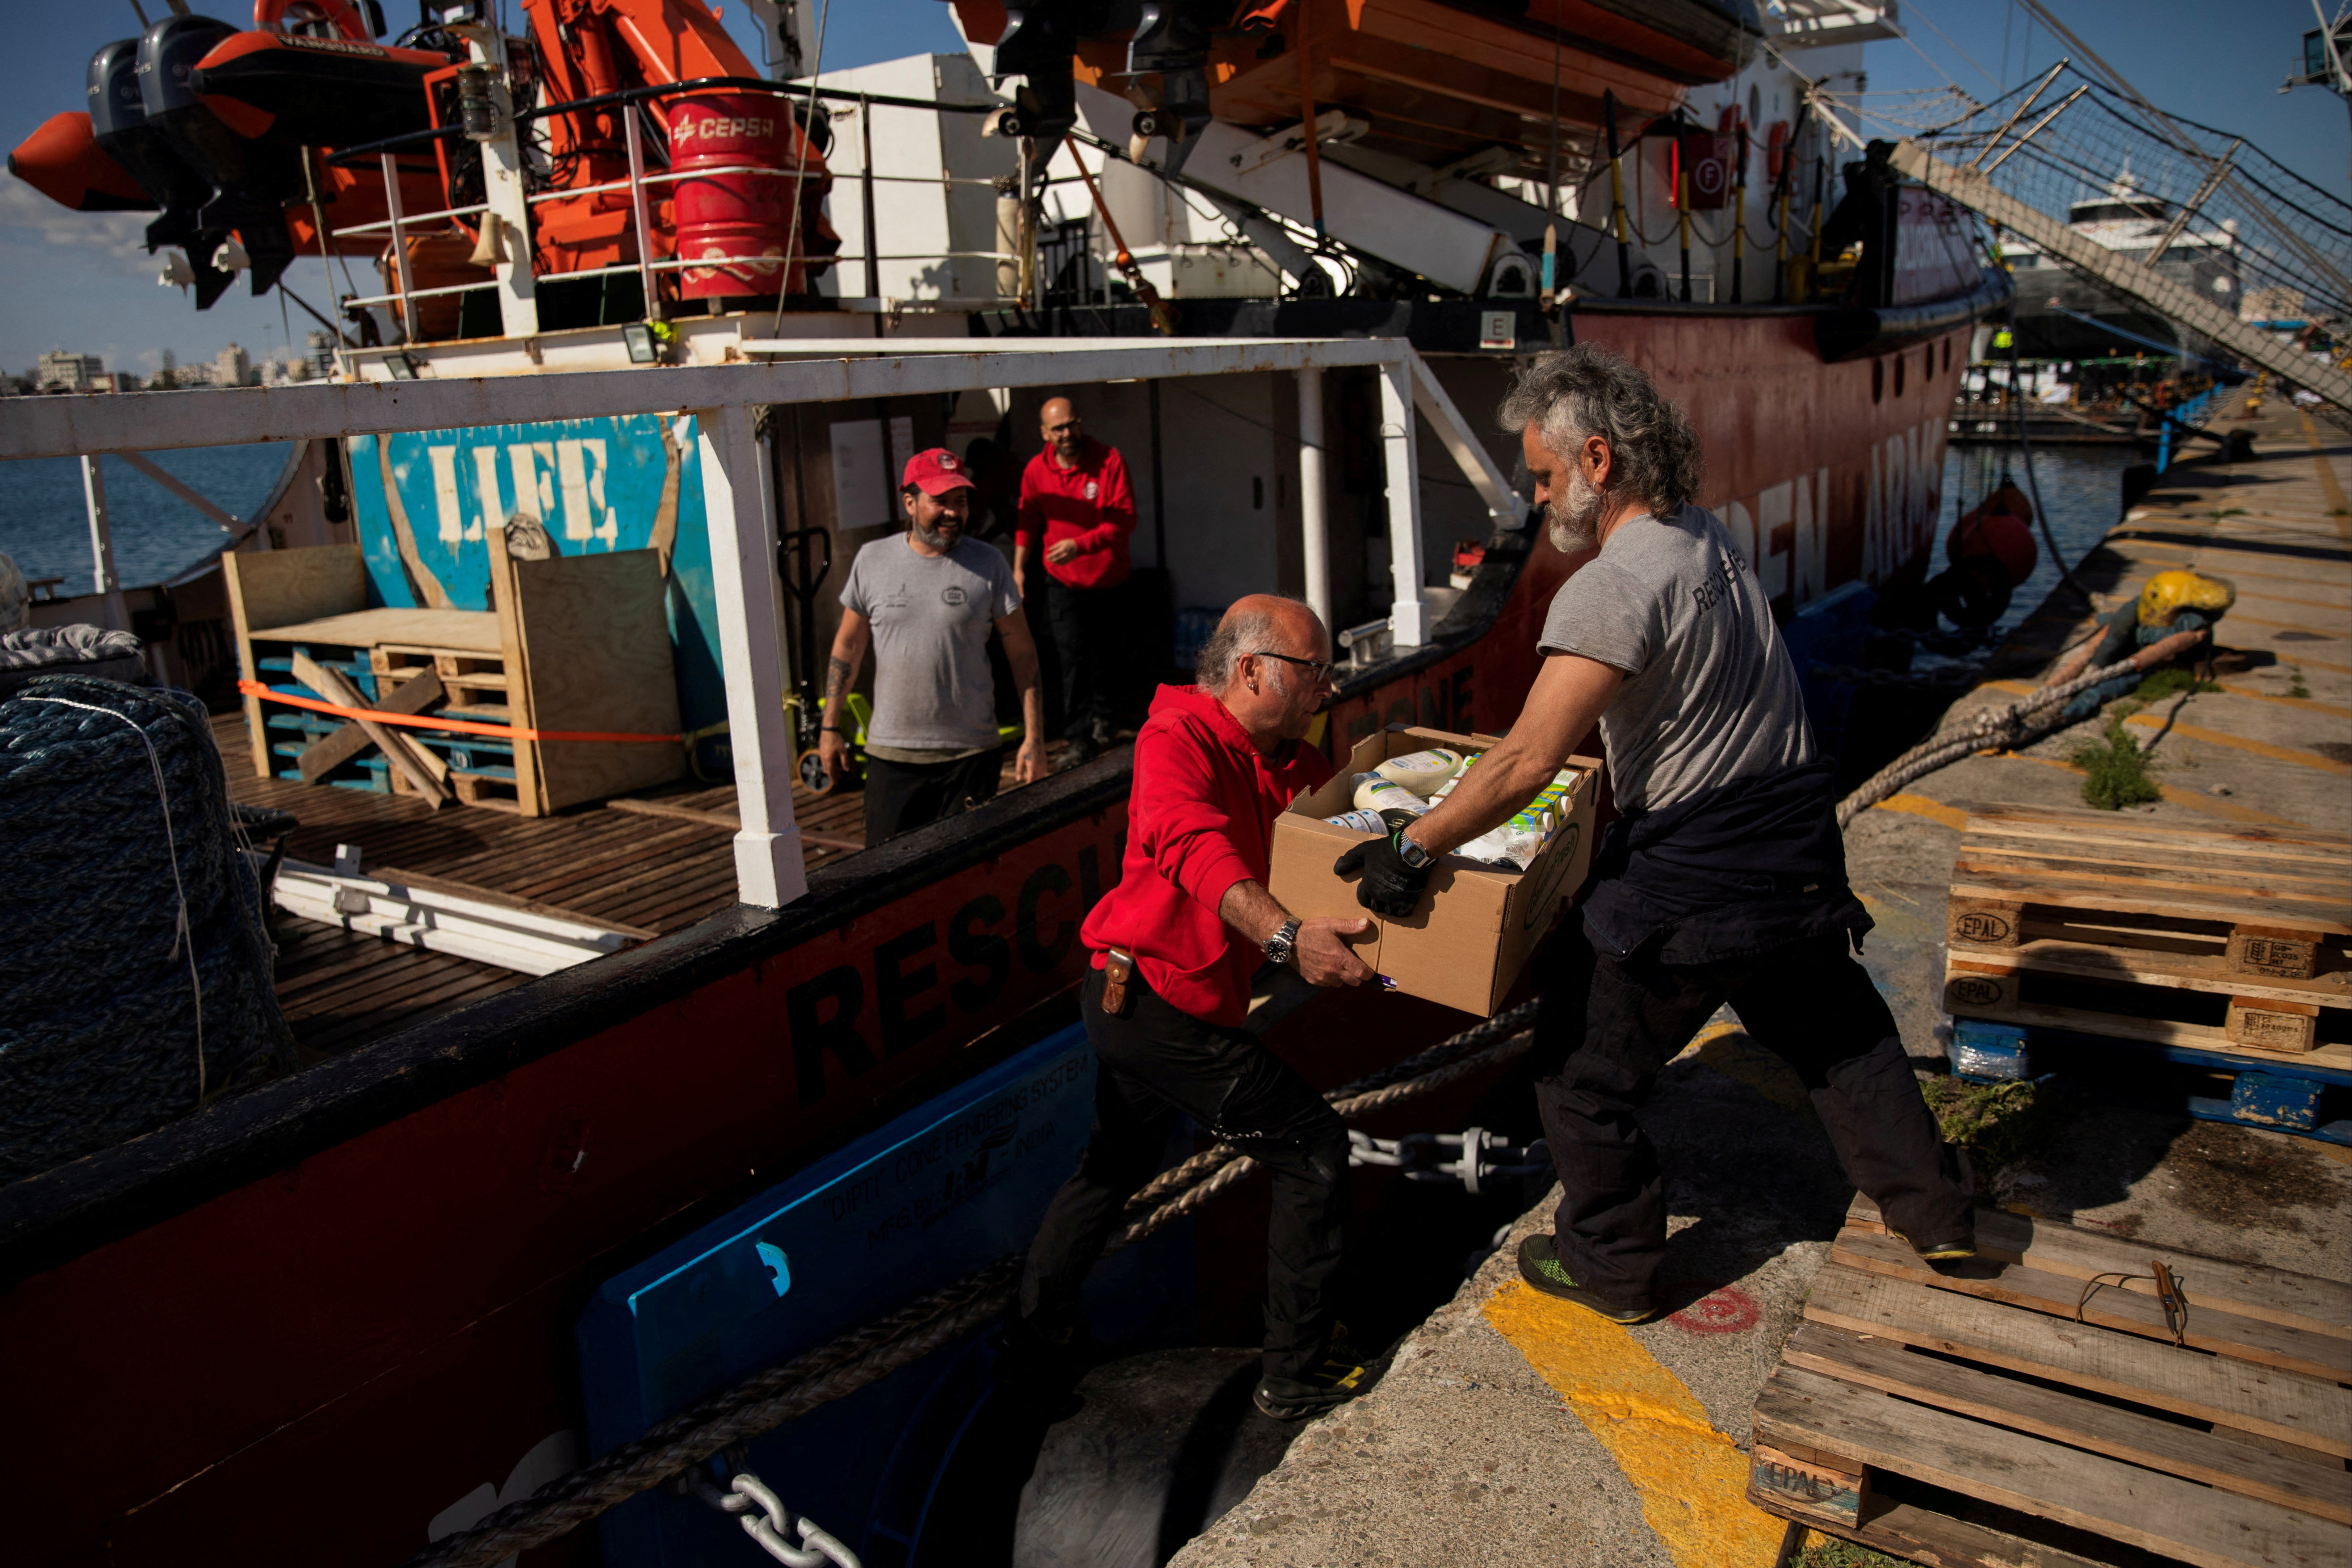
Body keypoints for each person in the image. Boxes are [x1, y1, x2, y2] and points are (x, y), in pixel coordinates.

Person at [1336, 345, 1976, 1324]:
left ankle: (1612, 1267)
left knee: (1577, 1070)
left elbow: (1524, 762)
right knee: (1838, 1035)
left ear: (1596, 460)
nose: (1538, 497)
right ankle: (1934, 1211)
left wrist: (1410, 846)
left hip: (1695, 872)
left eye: (1545, 475)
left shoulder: (1609, 586)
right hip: (1793, 850)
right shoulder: (1705, 539)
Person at [1009, 595, 1378, 1420]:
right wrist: (1286, 941)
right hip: (1150, 1005)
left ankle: (1033, 1345)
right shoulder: (1173, 739)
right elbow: (1189, 847)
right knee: (1310, 1148)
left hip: (1148, 1002)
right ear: (1251, 671)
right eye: (1311, 668)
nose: (1328, 683)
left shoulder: (1281, 753)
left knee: (1109, 1169)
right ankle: (1296, 1370)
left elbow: (1344, 823)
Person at [821, 448, 1047, 844]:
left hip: (971, 757)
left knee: (967, 879)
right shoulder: (872, 559)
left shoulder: (990, 564)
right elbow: (848, 646)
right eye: (939, 500)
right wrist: (829, 726)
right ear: (909, 502)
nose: (952, 513)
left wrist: (1035, 739)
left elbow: (1023, 655)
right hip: (893, 756)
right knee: (887, 881)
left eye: (960, 501)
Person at [1015, 397, 1137, 768]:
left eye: (1072, 424)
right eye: (1059, 428)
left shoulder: (1108, 460)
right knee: (1071, 659)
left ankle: (1106, 720)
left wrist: (1080, 545)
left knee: (1106, 655)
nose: (1068, 433)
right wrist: (1018, 568)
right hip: (1062, 581)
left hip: (1107, 578)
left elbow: (1125, 519)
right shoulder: (1037, 470)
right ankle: (1079, 737)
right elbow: (1027, 520)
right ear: (1045, 433)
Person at [2043, 568, 2234, 722]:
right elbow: (2115, 638)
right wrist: (2096, 664)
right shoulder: (2136, 610)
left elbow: (2162, 639)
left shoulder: (2191, 623)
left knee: (2115, 682)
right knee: (2112, 628)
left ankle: (2068, 713)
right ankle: (2073, 685)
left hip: (2153, 653)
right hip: (2138, 635)